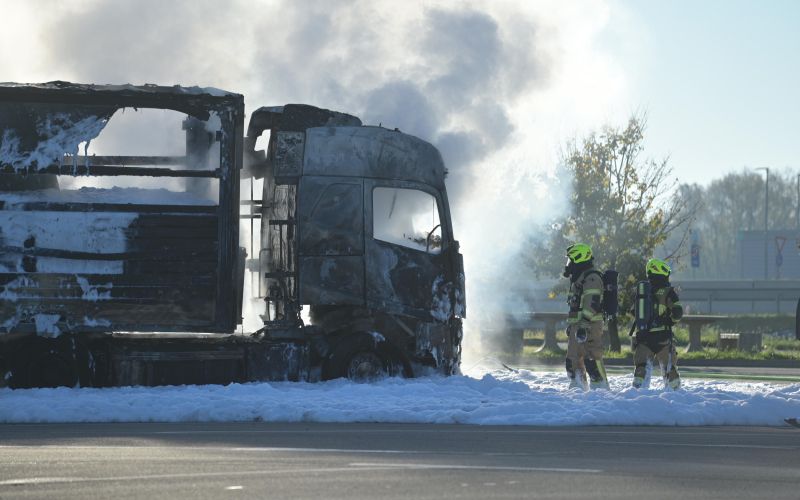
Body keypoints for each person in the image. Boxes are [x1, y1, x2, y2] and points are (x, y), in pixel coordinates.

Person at [632, 258, 683, 389]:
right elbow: (678, 312)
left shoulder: (643, 290)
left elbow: (634, 312)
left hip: (643, 338)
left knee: (641, 369)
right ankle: (673, 400)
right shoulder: (668, 291)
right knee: (670, 372)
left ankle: (636, 397)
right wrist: (669, 321)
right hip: (663, 338)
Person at [563, 243, 608, 390]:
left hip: (590, 325)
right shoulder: (579, 278)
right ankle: (578, 388)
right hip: (579, 325)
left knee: (592, 359)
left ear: (579, 259)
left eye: (571, 261)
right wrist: (572, 325)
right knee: (573, 360)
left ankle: (601, 390)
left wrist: (583, 324)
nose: (569, 265)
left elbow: (592, 303)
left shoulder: (592, 277)